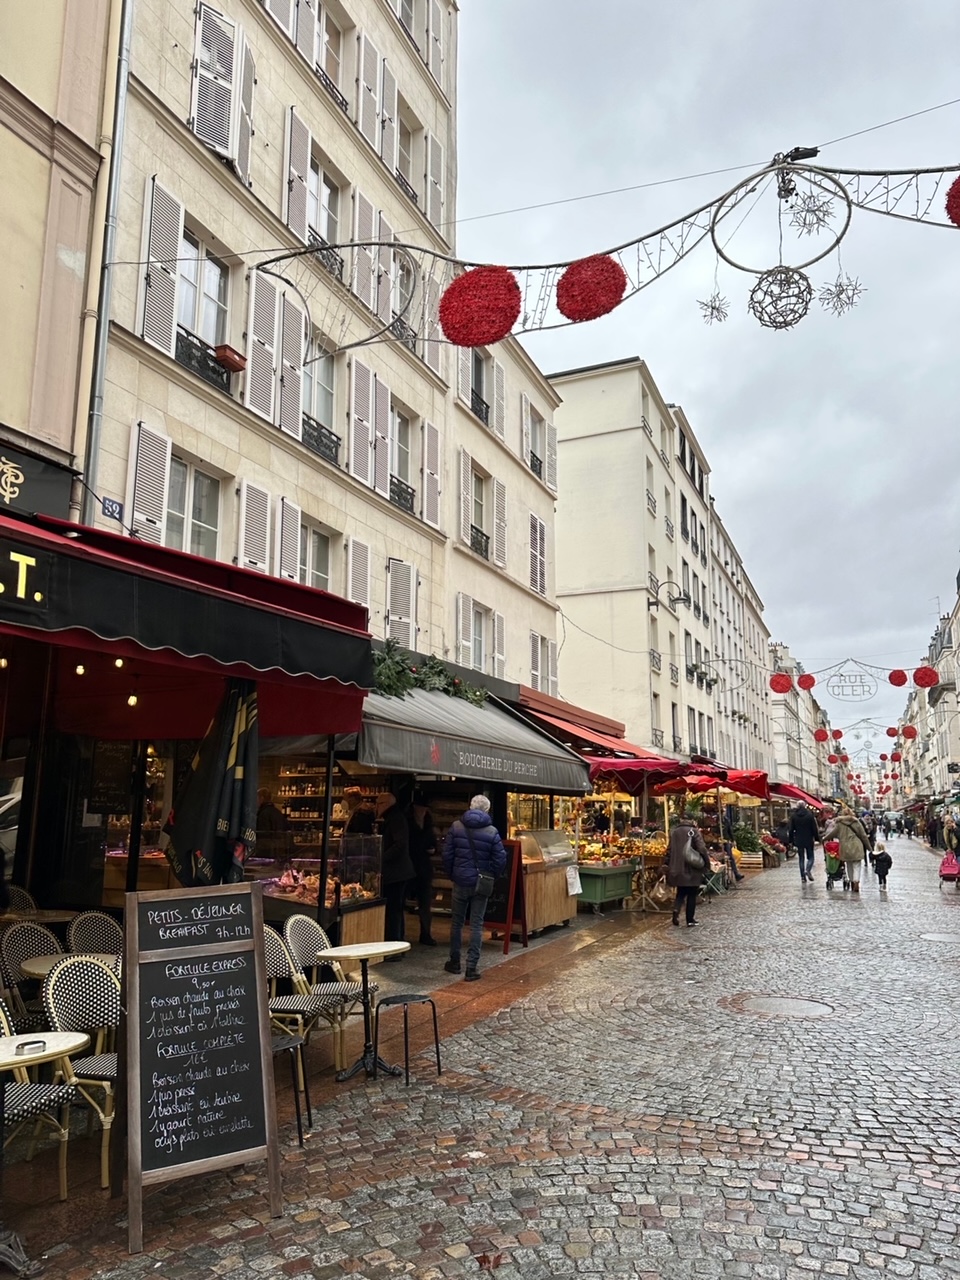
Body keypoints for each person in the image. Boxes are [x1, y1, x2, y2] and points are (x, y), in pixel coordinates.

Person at [442, 794, 507, 981]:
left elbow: (447, 854)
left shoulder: (456, 826)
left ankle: (454, 962)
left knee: (456, 923)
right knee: (477, 924)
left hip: (460, 881)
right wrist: (490, 874)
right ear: (487, 810)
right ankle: (472, 967)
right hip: (481, 882)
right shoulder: (492, 831)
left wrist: (453, 873)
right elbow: (500, 859)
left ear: (470, 806)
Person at [375, 792, 414, 955]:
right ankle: (399, 945)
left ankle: (395, 949)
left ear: (384, 803)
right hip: (399, 872)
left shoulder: (395, 818)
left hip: (396, 873)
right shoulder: (393, 816)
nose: (376, 807)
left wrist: (380, 858)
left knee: (394, 911)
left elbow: (400, 845)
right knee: (395, 910)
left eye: (378, 803)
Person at [665, 810, 710, 927]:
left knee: (680, 892)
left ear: (681, 820)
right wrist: (706, 862)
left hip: (676, 868)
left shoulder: (674, 832)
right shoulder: (693, 831)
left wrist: (667, 864)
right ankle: (690, 919)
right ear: (691, 820)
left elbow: (669, 850)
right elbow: (702, 849)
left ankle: (676, 910)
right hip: (691, 868)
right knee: (691, 894)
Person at [407, 791, 438, 946]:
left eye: (425, 809)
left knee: (425, 903)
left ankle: (425, 934)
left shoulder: (427, 820)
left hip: (424, 867)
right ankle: (398, 936)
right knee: (402, 902)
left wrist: (433, 848)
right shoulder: (408, 820)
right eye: (421, 808)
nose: (423, 811)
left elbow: (432, 840)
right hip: (409, 866)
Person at [825, 802, 869, 893]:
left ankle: (852, 881)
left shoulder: (840, 823)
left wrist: (824, 839)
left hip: (845, 846)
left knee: (849, 865)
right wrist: (869, 847)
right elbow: (863, 835)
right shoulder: (856, 822)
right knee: (857, 865)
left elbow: (833, 833)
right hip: (856, 845)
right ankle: (856, 881)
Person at [788, 802, 820, 884]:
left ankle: (802, 877)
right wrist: (817, 838)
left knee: (801, 858)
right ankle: (808, 869)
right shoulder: (809, 815)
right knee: (811, 857)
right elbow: (814, 828)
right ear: (805, 806)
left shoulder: (794, 816)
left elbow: (791, 829)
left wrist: (791, 840)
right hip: (809, 839)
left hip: (799, 839)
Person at [256, 788, 290, 858]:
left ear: (261, 798)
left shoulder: (263, 814)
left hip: (267, 851)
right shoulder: (278, 812)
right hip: (279, 849)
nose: (256, 801)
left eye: (257, 798)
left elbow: (263, 835)